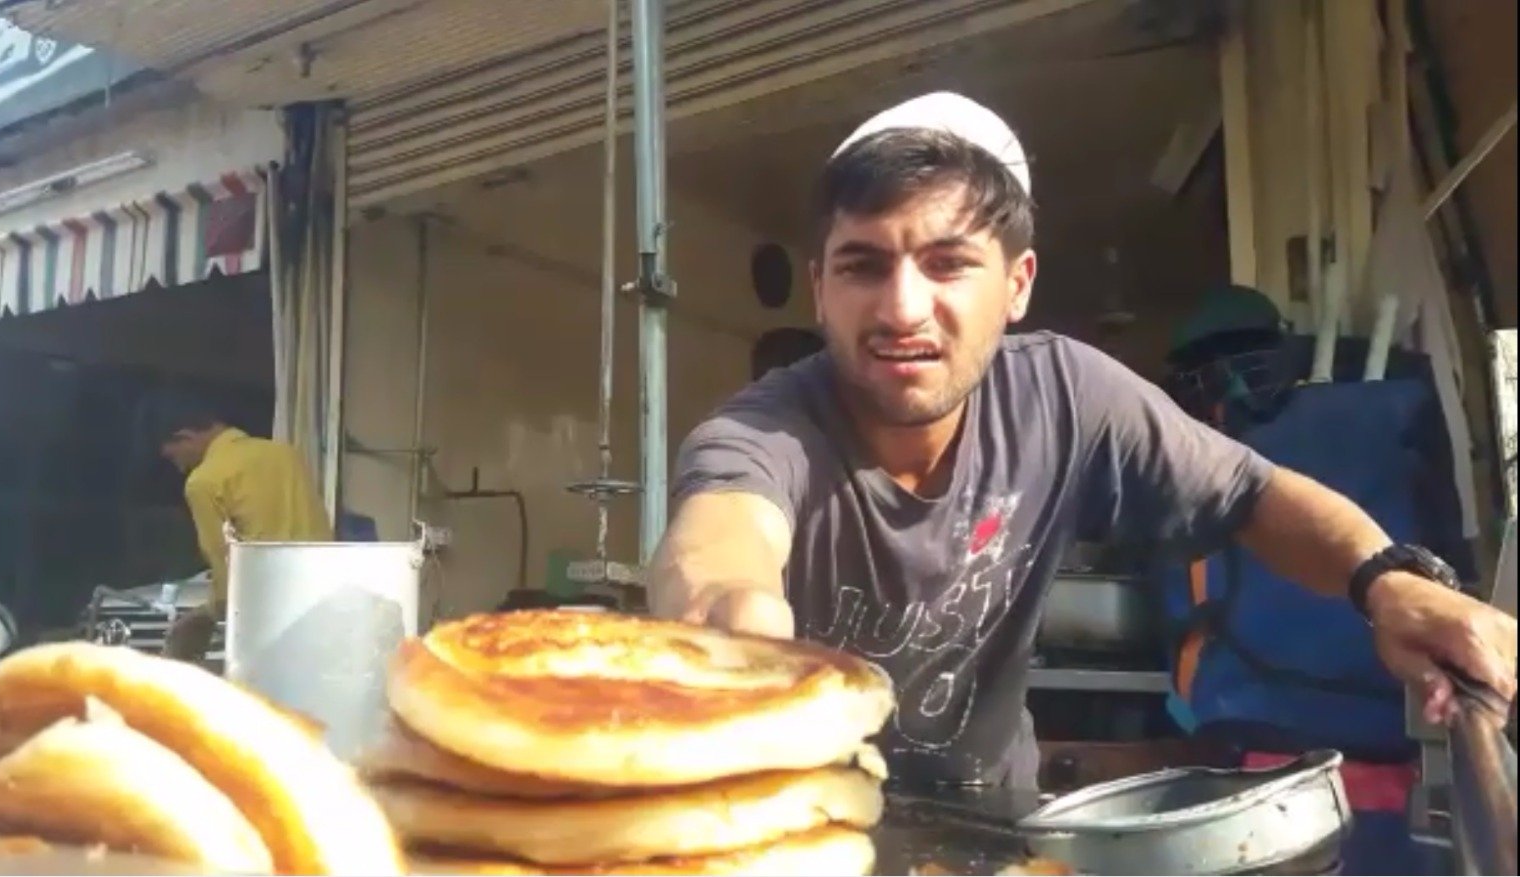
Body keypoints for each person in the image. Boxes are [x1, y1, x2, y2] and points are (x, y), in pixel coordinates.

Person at [649, 92, 1517, 790]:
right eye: (863, 264)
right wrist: (728, 614)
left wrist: (1388, 581)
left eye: (948, 263)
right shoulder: (766, 429)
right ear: (819, 289)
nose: (902, 308)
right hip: (793, 833)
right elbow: (720, 538)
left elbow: (1254, 493)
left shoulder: (1067, 394)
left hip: (1000, 832)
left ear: (1017, 283)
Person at [139, 390, 332, 663]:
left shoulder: (204, 481)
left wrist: (202, 619)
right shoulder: (285, 455)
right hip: (322, 602)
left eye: (174, 457)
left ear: (185, 436)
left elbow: (226, 570)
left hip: (265, 617)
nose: (179, 467)